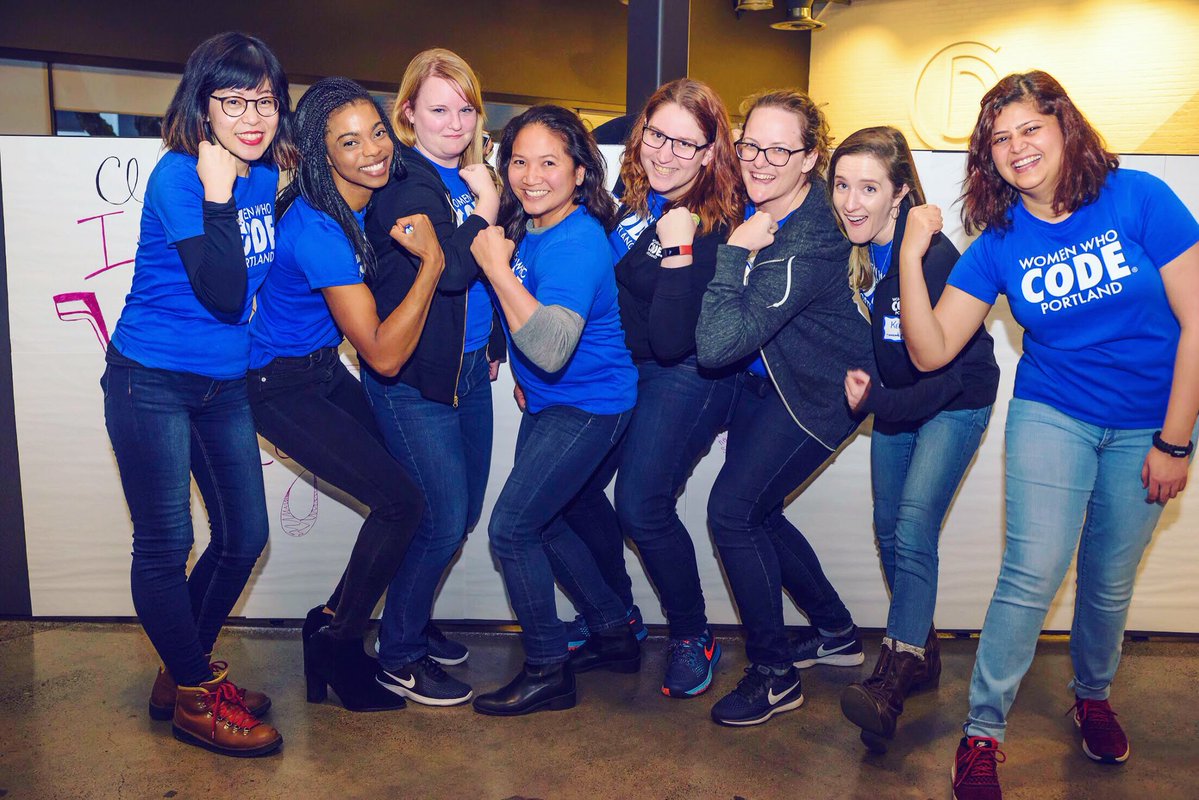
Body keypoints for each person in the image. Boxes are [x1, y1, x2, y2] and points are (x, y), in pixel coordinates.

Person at [889, 72, 1199, 799]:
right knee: (1030, 574)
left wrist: (1174, 440)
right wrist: (909, 254)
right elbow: (931, 349)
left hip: (1146, 424)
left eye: (1030, 128)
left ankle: (1091, 695)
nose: (1016, 147)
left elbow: (1196, 323)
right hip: (1052, 410)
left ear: (1064, 128)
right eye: (1000, 138)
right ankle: (982, 731)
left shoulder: (1138, 198)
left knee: (1106, 580)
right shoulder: (998, 240)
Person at [101, 32, 291, 756]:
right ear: (201, 103)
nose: (251, 115)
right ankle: (195, 696)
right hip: (150, 378)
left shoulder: (267, 175)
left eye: (264, 100)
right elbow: (220, 291)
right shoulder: (181, 177)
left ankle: (183, 675)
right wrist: (217, 194)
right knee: (166, 543)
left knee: (244, 536)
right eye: (233, 99)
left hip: (224, 383)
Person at [247, 77, 446, 711]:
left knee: (404, 502)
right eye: (349, 141)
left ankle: (331, 625)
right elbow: (383, 355)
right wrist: (433, 265)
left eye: (377, 132)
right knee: (401, 502)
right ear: (319, 153)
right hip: (277, 387)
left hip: (320, 373)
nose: (373, 151)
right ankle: (338, 641)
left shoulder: (354, 200)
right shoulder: (319, 230)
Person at [558, 78, 743, 699]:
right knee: (572, 486)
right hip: (624, 367)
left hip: (686, 374)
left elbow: (670, 338)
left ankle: (693, 633)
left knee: (641, 503)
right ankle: (617, 617)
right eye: (656, 135)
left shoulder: (716, 224)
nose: (664, 153)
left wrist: (680, 246)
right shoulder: (632, 195)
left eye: (684, 144)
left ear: (711, 153)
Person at [694, 89, 874, 727]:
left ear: (810, 158)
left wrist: (735, 253)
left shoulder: (808, 240)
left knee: (732, 514)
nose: (760, 161)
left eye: (779, 149)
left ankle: (774, 677)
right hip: (778, 383)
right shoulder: (777, 203)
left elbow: (718, 345)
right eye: (751, 146)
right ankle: (836, 632)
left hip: (818, 397)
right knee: (759, 512)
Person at [827, 126, 999, 750]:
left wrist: (878, 402)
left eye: (868, 187)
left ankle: (892, 674)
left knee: (915, 524)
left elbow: (948, 373)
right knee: (885, 527)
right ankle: (921, 649)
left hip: (955, 401)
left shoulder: (929, 255)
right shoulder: (858, 252)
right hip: (898, 403)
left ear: (899, 194)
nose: (851, 201)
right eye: (842, 185)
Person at [469, 105, 639, 717]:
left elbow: (551, 345)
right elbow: (528, 327)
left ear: (578, 171)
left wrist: (492, 264)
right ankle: (613, 630)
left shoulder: (576, 241)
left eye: (549, 162)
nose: (530, 175)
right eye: (518, 160)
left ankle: (547, 668)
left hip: (590, 406)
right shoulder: (535, 228)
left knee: (511, 530)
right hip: (551, 400)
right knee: (548, 522)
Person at [361, 49, 504, 707]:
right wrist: (485, 206)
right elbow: (448, 271)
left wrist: (496, 340)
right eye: (438, 108)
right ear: (408, 114)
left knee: (460, 511)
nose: (454, 121)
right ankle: (399, 654)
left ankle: (410, 619)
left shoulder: (461, 175)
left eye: (465, 108)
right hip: (414, 381)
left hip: (468, 373)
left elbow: (494, 277)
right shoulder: (408, 183)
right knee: (442, 518)